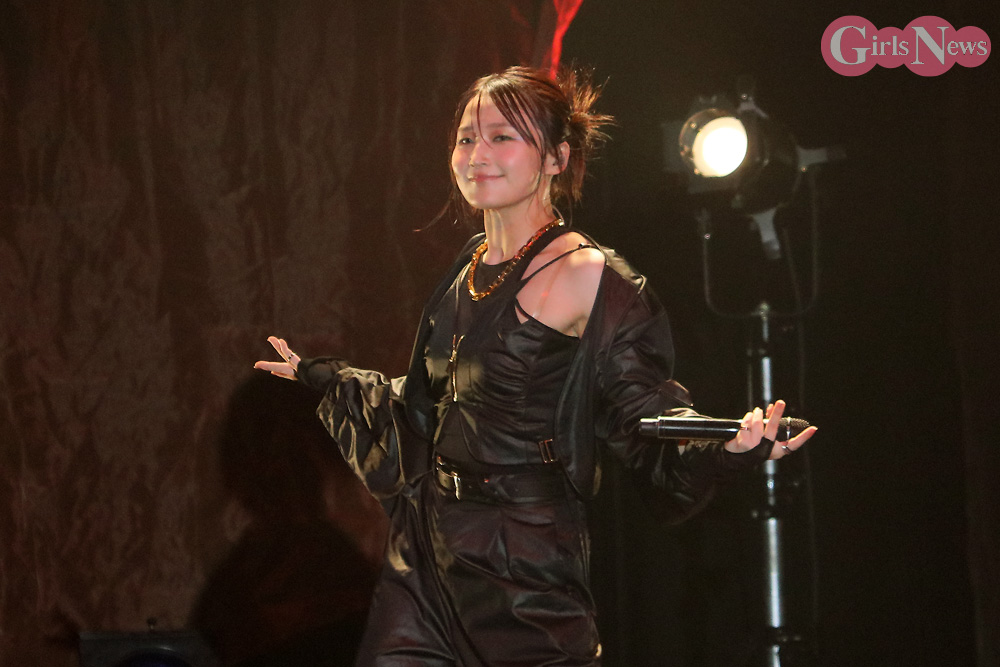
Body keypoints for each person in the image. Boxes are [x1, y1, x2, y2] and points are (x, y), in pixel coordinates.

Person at [254, 65, 817, 666]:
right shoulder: (469, 266)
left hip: (520, 560)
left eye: (502, 137)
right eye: (466, 139)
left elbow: (641, 411)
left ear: (555, 157)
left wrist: (727, 446)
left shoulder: (586, 274)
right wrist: (322, 375)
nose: (477, 155)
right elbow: (433, 404)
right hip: (427, 551)